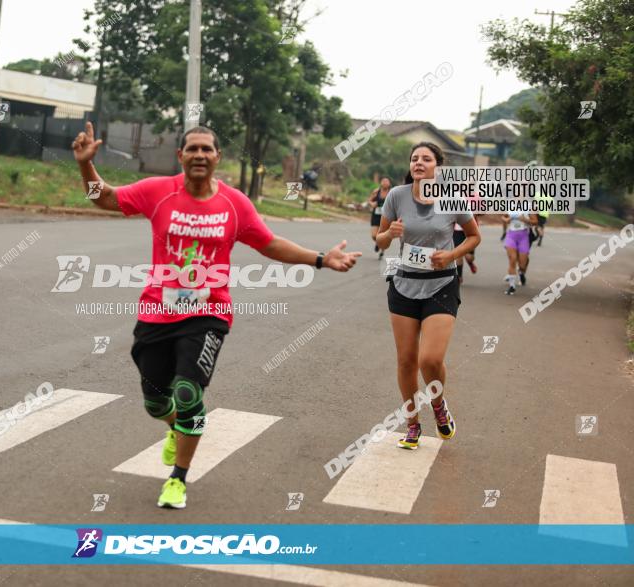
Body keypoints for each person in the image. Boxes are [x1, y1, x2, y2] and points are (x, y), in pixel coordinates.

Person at [72, 122, 361, 508]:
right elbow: (103, 199)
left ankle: (178, 478)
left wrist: (322, 259)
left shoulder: (234, 203)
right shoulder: (157, 191)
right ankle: (176, 428)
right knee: (156, 403)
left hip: (209, 313)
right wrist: (85, 167)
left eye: (207, 149)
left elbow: (269, 243)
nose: (200, 155)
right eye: (192, 148)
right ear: (181, 156)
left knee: (188, 393)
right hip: (158, 312)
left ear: (217, 157)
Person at [376, 142, 481, 450]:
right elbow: (380, 240)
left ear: (438, 165)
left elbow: (474, 236)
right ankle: (412, 424)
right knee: (406, 361)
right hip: (404, 285)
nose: (419, 163)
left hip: (441, 285)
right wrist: (389, 234)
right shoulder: (396, 195)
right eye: (414, 158)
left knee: (430, 359)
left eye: (426, 158)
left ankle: (438, 404)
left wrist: (452, 254)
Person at [501, 210, 538, 294]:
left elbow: (535, 221)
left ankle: (521, 271)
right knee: (512, 259)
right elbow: (503, 217)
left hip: (524, 236)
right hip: (511, 235)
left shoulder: (529, 207)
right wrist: (506, 220)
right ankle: (512, 286)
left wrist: (525, 219)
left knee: (522, 264)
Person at [368, 177, 392, 258]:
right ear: (381, 183)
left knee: (383, 234)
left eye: (386, 181)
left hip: (386, 216)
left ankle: (382, 250)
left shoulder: (392, 193)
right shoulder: (376, 192)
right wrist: (372, 204)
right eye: (383, 181)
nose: (385, 183)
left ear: (389, 183)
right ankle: (378, 243)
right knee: (374, 235)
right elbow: (370, 200)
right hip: (376, 215)